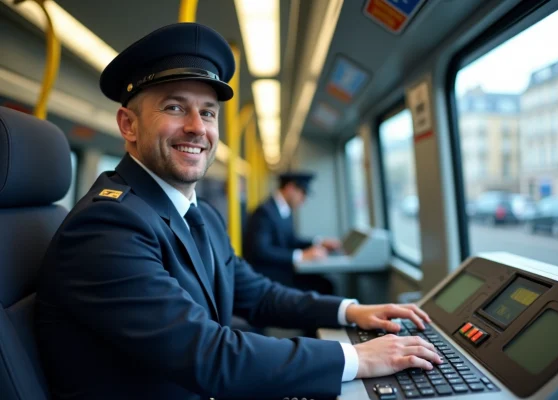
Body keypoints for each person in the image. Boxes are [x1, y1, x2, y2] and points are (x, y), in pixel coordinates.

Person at [35, 22, 441, 400]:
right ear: (128, 125)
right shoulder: (106, 226)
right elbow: (208, 354)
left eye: (208, 112)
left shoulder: (202, 215)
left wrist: (349, 310)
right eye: (175, 107)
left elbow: (257, 293)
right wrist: (358, 359)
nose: (198, 127)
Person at [243, 172, 340, 294]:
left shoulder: (283, 209)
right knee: (324, 286)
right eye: (302, 193)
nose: (303, 199)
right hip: (269, 276)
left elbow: (290, 240)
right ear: (290, 188)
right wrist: (301, 256)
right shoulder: (264, 212)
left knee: (325, 282)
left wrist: (319, 242)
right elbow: (260, 251)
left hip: (281, 270)